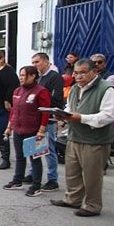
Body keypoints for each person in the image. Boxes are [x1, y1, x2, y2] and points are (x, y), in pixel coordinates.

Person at [49, 58, 114, 216]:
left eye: (83, 73)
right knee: (72, 171)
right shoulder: (74, 88)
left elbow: (107, 116)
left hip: (95, 140)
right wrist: (63, 115)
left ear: (94, 71)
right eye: (76, 73)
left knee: (92, 175)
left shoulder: (107, 89)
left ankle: (92, 205)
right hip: (74, 136)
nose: (78, 76)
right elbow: (70, 107)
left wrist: (80, 118)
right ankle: (72, 199)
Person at [3, 66, 51, 197]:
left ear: (33, 76)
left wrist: (41, 130)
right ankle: (17, 181)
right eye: (21, 75)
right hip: (19, 129)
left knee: (35, 158)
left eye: (24, 75)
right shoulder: (17, 91)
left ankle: (36, 186)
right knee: (19, 157)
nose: (21, 77)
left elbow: (45, 112)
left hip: (33, 131)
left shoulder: (41, 91)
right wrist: (9, 127)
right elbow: (14, 111)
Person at [32, 52, 64, 191]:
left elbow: (57, 99)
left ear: (46, 62)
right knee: (35, 147)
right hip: (36, 118)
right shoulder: (38, 78)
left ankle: (53, 179)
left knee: (49, 148)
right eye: (33, 62)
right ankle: (32, 173)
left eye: (37, 62)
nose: (34, 65)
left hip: (49, 118)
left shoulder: (54, 77)